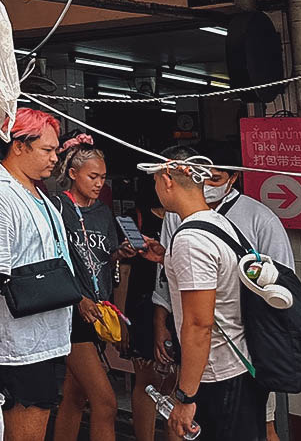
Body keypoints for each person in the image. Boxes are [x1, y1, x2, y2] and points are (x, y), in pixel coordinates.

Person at [152, 142, 292, 441]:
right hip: (240, 362)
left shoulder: (192, 239)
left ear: (167, 179)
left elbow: (199, 325)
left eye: (154, 180)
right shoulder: (218, 224)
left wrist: (186, 396)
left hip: (217, 372)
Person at [0, 108, 80, 441]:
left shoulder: (38, 192)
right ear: (18, 146)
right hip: (17, 344)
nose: (56, 158)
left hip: (45, 336)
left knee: (38, 417)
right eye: (48, 150)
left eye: (56, 150)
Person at [50, 136, 149, 441]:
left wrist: (119, 254)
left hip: (99, 312)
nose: (99, 184)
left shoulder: (104, 213)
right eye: (93, 177)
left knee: (75, 397)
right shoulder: (56, 208)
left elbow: (103, 259)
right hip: (71, 314)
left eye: (103, 177)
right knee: (105, 402)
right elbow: (52, 261)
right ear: (73, 173)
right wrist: (77, 297)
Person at [119, 176, 175, 441]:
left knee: (174, 380)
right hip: (142, 307)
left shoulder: (185, 217)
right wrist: (121, 317)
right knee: (147, 380)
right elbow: (125, 270)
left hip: (175, 307)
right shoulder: (135, 217)